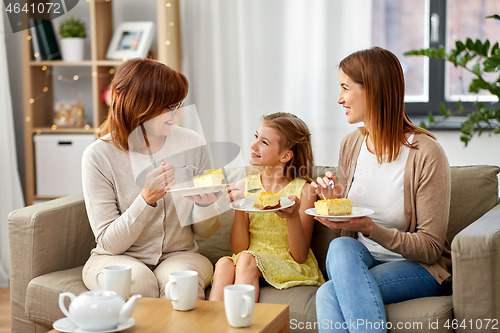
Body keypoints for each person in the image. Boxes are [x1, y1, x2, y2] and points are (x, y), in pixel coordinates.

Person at [312, 47, 452, 332]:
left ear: (372, 90)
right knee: (340, 245)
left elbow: (430, 247)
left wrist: (371, 228)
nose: (339, 99)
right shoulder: (350, 146)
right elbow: (347, 233)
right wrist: (339, 205)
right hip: (364, 260)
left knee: (328, 293)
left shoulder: (426, 153)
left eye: (345, 88)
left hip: (418, 267)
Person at [81, 58, 222, 300]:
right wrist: (145, 200)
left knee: (181, 284)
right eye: (169, 107)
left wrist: (205, 205)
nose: (177, 114)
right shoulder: (98, 155)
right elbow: (109, 243)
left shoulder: (193, 142)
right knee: (136, 284)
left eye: (179, 104)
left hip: (180, 255)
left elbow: (207, 231)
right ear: (140, 105)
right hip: (116, 257)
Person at [209, 112, 324, 302]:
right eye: (256, 136)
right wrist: (239, 206)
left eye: (264, 142)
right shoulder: (244, 186)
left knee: (246, 260)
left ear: (285, 155)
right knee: (223, 264)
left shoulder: (305, 191)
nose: (253, 144)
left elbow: (300, 255)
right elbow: (239, 249)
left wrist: (292, 215)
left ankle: (240, 326)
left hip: (287, 262)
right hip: (249, 258)